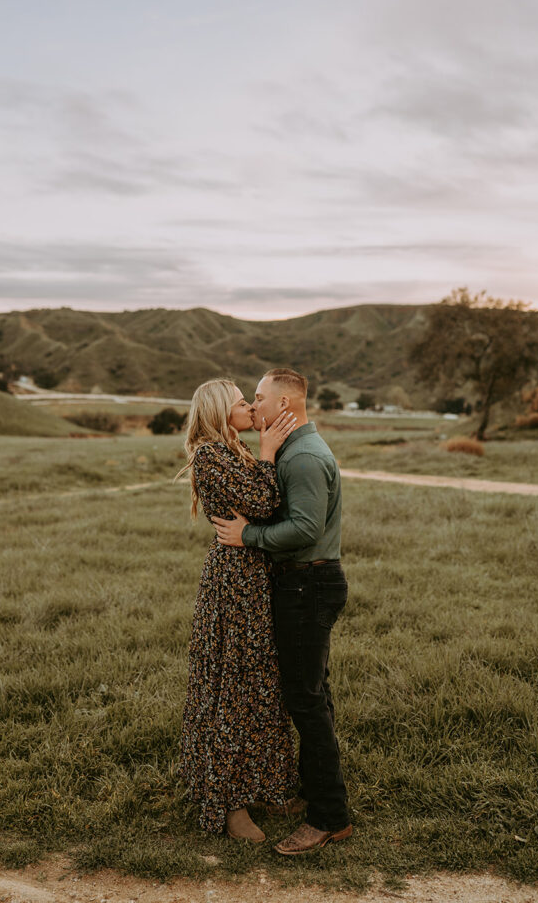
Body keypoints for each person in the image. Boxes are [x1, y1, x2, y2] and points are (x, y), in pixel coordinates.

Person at [212, 367, 352, 856]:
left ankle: (328, 817)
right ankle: (317, 795)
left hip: (307, 585)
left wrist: (247, 536)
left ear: (284, 406)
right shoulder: (290, 451)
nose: (255, 406)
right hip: (302, 584)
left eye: (260, 398)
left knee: (305, 702)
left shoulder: (305, 457)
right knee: (313, 695)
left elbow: (306, 528)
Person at [179, 378, 298, 842]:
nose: (249, 406)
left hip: (253, 577)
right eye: (241, 402)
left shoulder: (235, 449)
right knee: (233, 687)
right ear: (218, 412)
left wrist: (261, 455)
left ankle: (268, 784)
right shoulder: (210, 456)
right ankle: (229, 803)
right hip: (233, 583)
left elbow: (265, 508)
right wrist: (268, 454)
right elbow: (264, 502)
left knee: (261, 684)